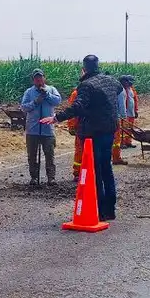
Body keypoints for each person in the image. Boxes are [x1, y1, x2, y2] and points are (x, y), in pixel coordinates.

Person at [42, 55, 121, 221]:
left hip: (94, 133)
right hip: (110, 130)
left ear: (84, 69)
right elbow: (118, 90)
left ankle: (99, 210)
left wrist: (57, 118)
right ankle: (110, 209)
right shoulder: (112, 81)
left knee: (96, 172)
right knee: (107, 169)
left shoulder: (86, 85)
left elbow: (77, 107)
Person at [19, 68, 62, 186]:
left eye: (40, 78)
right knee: (32, 156)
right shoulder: (29, 92)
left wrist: (46, 95)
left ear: (44, 78)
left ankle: (51, 178)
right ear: (33, 80)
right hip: (32, 129)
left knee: (49, 154)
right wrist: (35, 102)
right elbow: (23, 107)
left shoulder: (51, 89)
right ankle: (34, 177)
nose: (39, 80)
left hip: (47, 130)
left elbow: (58, 101)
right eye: (36, 79)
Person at [65, 84, 84, 181]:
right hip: (80, 127)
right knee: (80, 149)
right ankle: (77, 172)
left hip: (89, 126)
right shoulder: (76, 94)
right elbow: (72, 111)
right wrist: (72, 125)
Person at [112, 82, 129, 166]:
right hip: (116, 118)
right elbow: (122, 106)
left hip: (107, 118)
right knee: (116, 140)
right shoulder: (120, 90)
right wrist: (124, 117)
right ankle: (116, 158)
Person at [120, 75, 139, 149]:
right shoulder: (123, 90)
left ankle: (128, 142)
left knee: (130, 128)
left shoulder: (132, 89)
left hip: (131, 112)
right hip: (126, 112)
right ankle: (123, 142)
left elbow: (135, 100)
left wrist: (136, 110)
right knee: (124, 129)